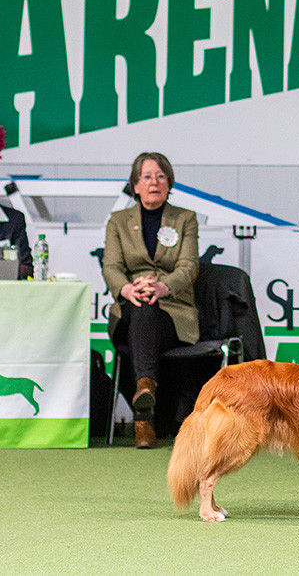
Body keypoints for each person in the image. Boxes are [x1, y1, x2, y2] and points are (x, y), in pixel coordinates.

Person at [102, 152, 199, 449]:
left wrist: (161, 287)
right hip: (130, 305)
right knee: (140, 309)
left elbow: (188, 266)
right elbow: (111, 267)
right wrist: (127, 289)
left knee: (147, 311)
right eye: (147, 176)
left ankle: (143, 412)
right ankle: (145, 392)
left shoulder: (184, 219)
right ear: (135, 184)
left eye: (161, 176)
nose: (154, 182)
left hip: (172, 310)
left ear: (169, 183)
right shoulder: (118, 221)